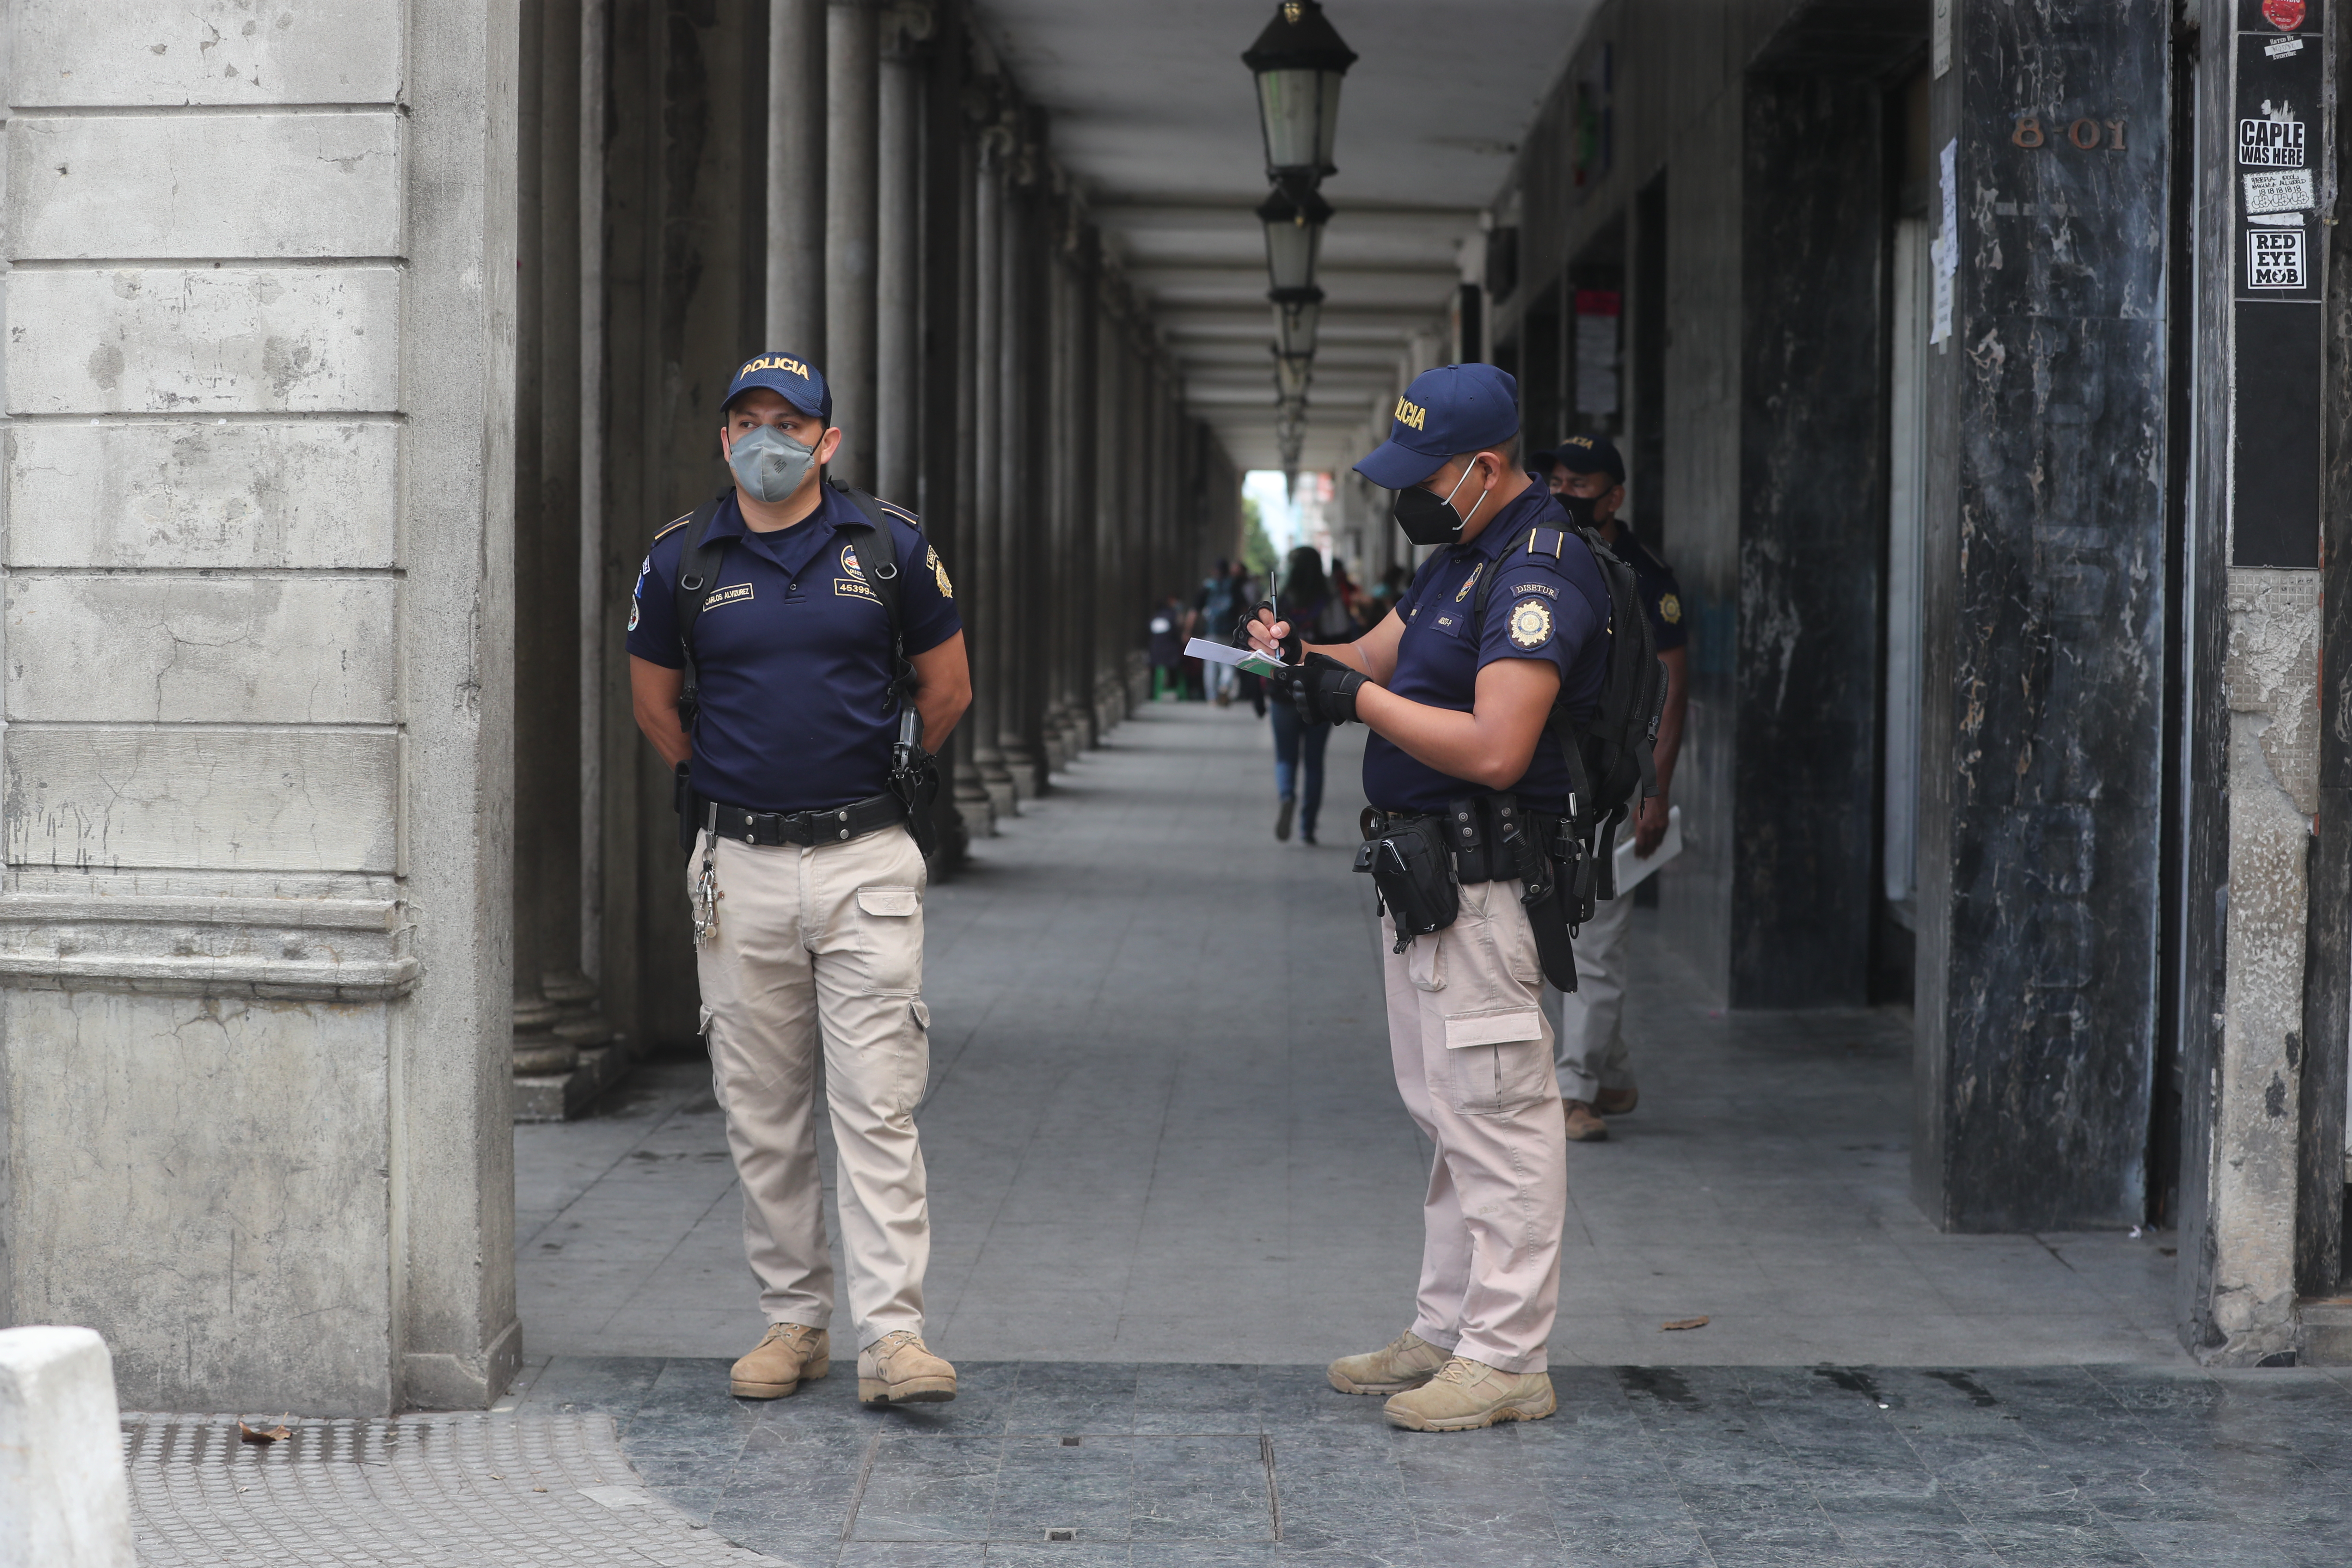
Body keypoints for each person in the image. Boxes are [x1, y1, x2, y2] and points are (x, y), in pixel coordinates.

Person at [1243, 363, 1608, 1433]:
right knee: (1447, 1115)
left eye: (1421, 474)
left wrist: (1352, 699)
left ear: (1483, 468)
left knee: (1499, 1120)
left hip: (1488, 882)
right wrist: (1300, 662)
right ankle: (1446, 1326)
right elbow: (1371, 657)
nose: (1406, 493)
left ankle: (1506, 1356)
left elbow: (1497, 748)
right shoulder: (1460, 557)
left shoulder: (1539, 573)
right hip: (1428, 884)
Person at [628, 351, 971, 1407]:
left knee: (876, 1107)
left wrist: (884, 778)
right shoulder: (681, 557)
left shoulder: (889, 547)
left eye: (788, 421)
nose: (764, 439)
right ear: (723, 436)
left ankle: (894, 1342)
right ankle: (793, 1323)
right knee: (761, 1110)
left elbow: (946, 687)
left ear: (827, 441)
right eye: (746, 421)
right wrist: (730, 789)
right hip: (738, 868)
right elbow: (654, 706)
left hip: (865, 860)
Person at [1531, 434, 1690, 1143]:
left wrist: (1654, 791)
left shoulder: (1646, 578)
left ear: (1614, 495)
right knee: (1554, 932)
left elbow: (1673, 689)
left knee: (1594, 936)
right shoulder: (1539, 555)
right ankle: (1611, 1072)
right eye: (1556, 478)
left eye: (1581, 482)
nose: (1565, 491)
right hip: (1541, 776)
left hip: (1614, 781)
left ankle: (1573, 1091)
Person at [1267, 546, 1337, 845]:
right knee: (1314, 761)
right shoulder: (1329, 601)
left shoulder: (1280, 603)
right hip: (1319, 692)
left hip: (1283, 690)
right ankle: (1308, 827)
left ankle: (1286, 795)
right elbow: (1343, 640)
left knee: (1285, 754)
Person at [1195, 558, 1246, 706]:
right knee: (1229, 663)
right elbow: (1244, 608)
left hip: (1211, 631)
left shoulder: (1208, 587)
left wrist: (1188, 630)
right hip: (1230, 631)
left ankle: (1212, 698)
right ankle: (1224, 686)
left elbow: (1195, 611)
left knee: (1210, 665)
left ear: (1214, 571)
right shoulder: (1234, 586)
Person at [1148, 593, 1186, 701]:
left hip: (1156, 654)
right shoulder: (1174, 616)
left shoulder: (1155, 617)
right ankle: (1182, 691)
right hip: (1172, 654)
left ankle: (1155, 693)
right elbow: (1178, 633)